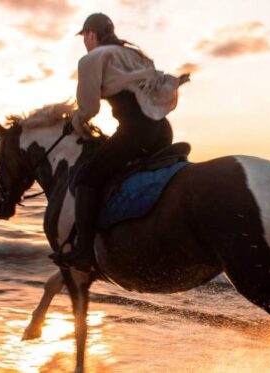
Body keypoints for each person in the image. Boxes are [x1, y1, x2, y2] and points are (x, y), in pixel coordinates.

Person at [54, 13, 190, 271]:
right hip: (162, 131)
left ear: (91, 35)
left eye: (84, 37)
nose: (85, 42)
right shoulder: (135, 55)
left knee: (86, 177)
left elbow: (88, 107)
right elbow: (159, 86)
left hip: (135, 133)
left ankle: (84, 253)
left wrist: (75, 122)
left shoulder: (92, 59)